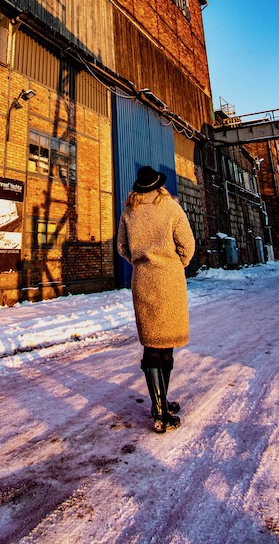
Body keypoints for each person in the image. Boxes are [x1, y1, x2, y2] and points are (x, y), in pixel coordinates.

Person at [117, 165, 196, 433]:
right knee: (167, 343)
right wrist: (176, 264)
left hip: (143, 281)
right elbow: (188, 245)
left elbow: (121, 247)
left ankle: (159, 405)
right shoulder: (172, 208)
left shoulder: (129, 211)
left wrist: (140, 263)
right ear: (159, 186)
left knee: (151, 342)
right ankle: (161, 408)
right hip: (170, 280)